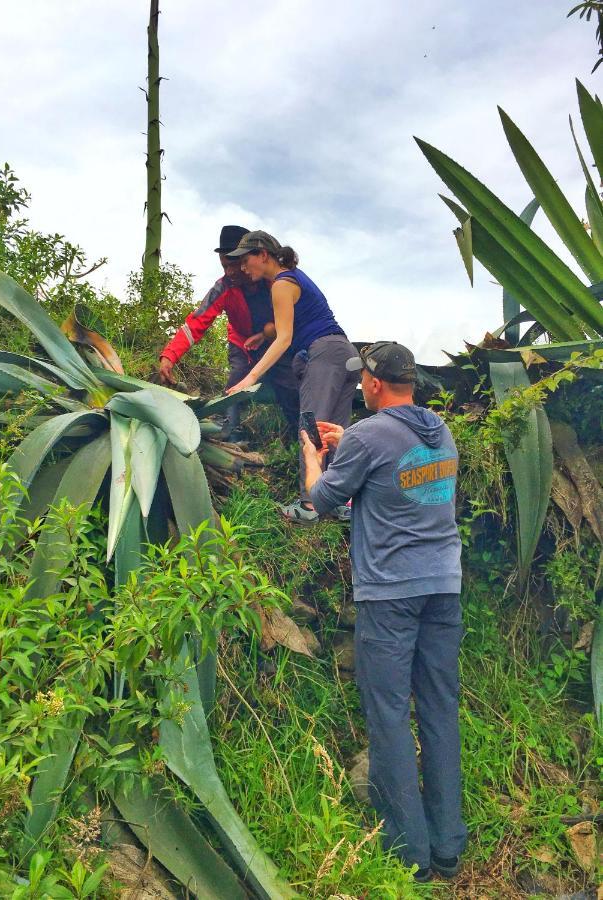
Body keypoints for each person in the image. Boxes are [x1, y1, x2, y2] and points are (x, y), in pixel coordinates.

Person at [300, 340, 467, 883]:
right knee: (439, 709)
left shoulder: (370, 435)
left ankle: (410, 857)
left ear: (372, 384)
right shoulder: (437, 432)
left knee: (389, 715)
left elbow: (318, 503)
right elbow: (402, 473)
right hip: (444, 589)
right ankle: (447, 847)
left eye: (361, 380)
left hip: (390, 596)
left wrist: (314, 461)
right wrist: (352, 443)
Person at [225, 230, 356, 523]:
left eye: (246, 260)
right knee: (335, 432)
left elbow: (284, 339)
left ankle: (310, 505)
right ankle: (340, 503)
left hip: (323, 354)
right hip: (346, 354)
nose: (243, 268)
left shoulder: (281, 284)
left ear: (263, 255)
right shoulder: (295, 276)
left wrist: (250, 378)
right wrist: (261, 335)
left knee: (310, 425)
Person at [158, 225, 299, 442]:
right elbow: (196, 323)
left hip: (275, 341)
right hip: (241, 344)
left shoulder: (273, 281)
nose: (230, 272)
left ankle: (296, 434)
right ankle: (231, 433)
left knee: (288, 382)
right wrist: (169, 356)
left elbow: (291, 316)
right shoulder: (223, 288)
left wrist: (267, 332)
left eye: (234, 265)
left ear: (247, 260)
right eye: (224, 266)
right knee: (236, 379)